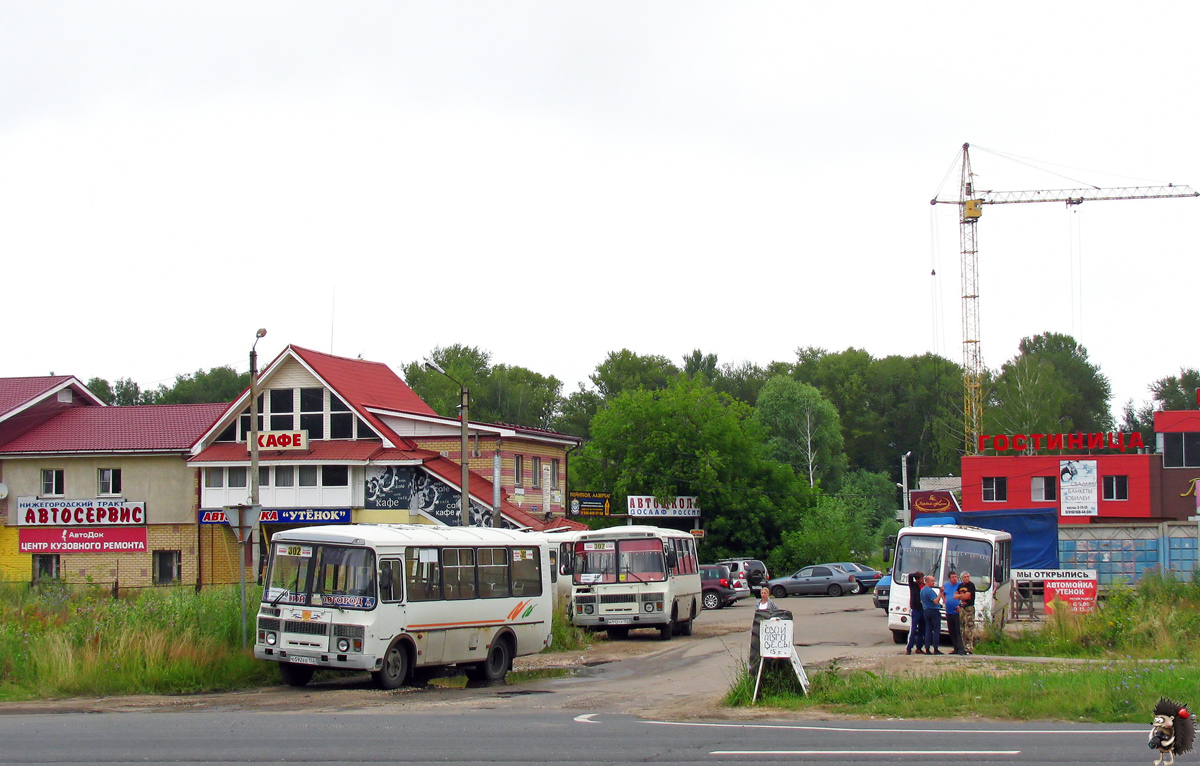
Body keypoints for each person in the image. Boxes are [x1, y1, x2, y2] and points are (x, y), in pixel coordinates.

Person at [942, 571, 966, 655]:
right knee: (951, 631)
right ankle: (955, 647)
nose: (955, 578)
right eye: (953, 577)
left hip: (957, 612)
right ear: (949, 578)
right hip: (949, 612)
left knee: (958, 630)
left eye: (956, 576)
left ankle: (961, 648)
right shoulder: (946, 585)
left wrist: (960, 605)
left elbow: (964, 596)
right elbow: (942, 592)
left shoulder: (960, 585)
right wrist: (944, 599)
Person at [921, 574, 943, 654]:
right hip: (933, 610)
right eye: (932, 581)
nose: (934, 583)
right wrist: (940, 593)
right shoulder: (929, 590)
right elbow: (935, 601)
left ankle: (927, 648)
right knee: (936, 630)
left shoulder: (922, 590)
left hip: (926, 610)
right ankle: (935, 648)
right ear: (927, 582)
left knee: (928, 630)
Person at [905, 570, 926, 655]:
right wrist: (916, 575)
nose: (922, 580)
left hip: (923, 610)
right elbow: (909, 576)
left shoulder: (924, 586)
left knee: (922, 630)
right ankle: (909, 647)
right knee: (913, 630)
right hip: (916, 610)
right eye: (921, 578)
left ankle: (919, 647)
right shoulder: (913, 585)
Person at [957, 571, 977, 653]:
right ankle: (962, 646)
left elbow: (968, 596)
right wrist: (961, 598)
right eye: (965, 577)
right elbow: (955, 595)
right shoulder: (960, 586)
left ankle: (969, 647)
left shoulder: (971, 585)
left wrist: (963, 597)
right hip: (962, 608)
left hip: (969, 608)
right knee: (962, 627)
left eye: (968, 576)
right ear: (962, 578)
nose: (966, 578)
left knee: (969, 627)